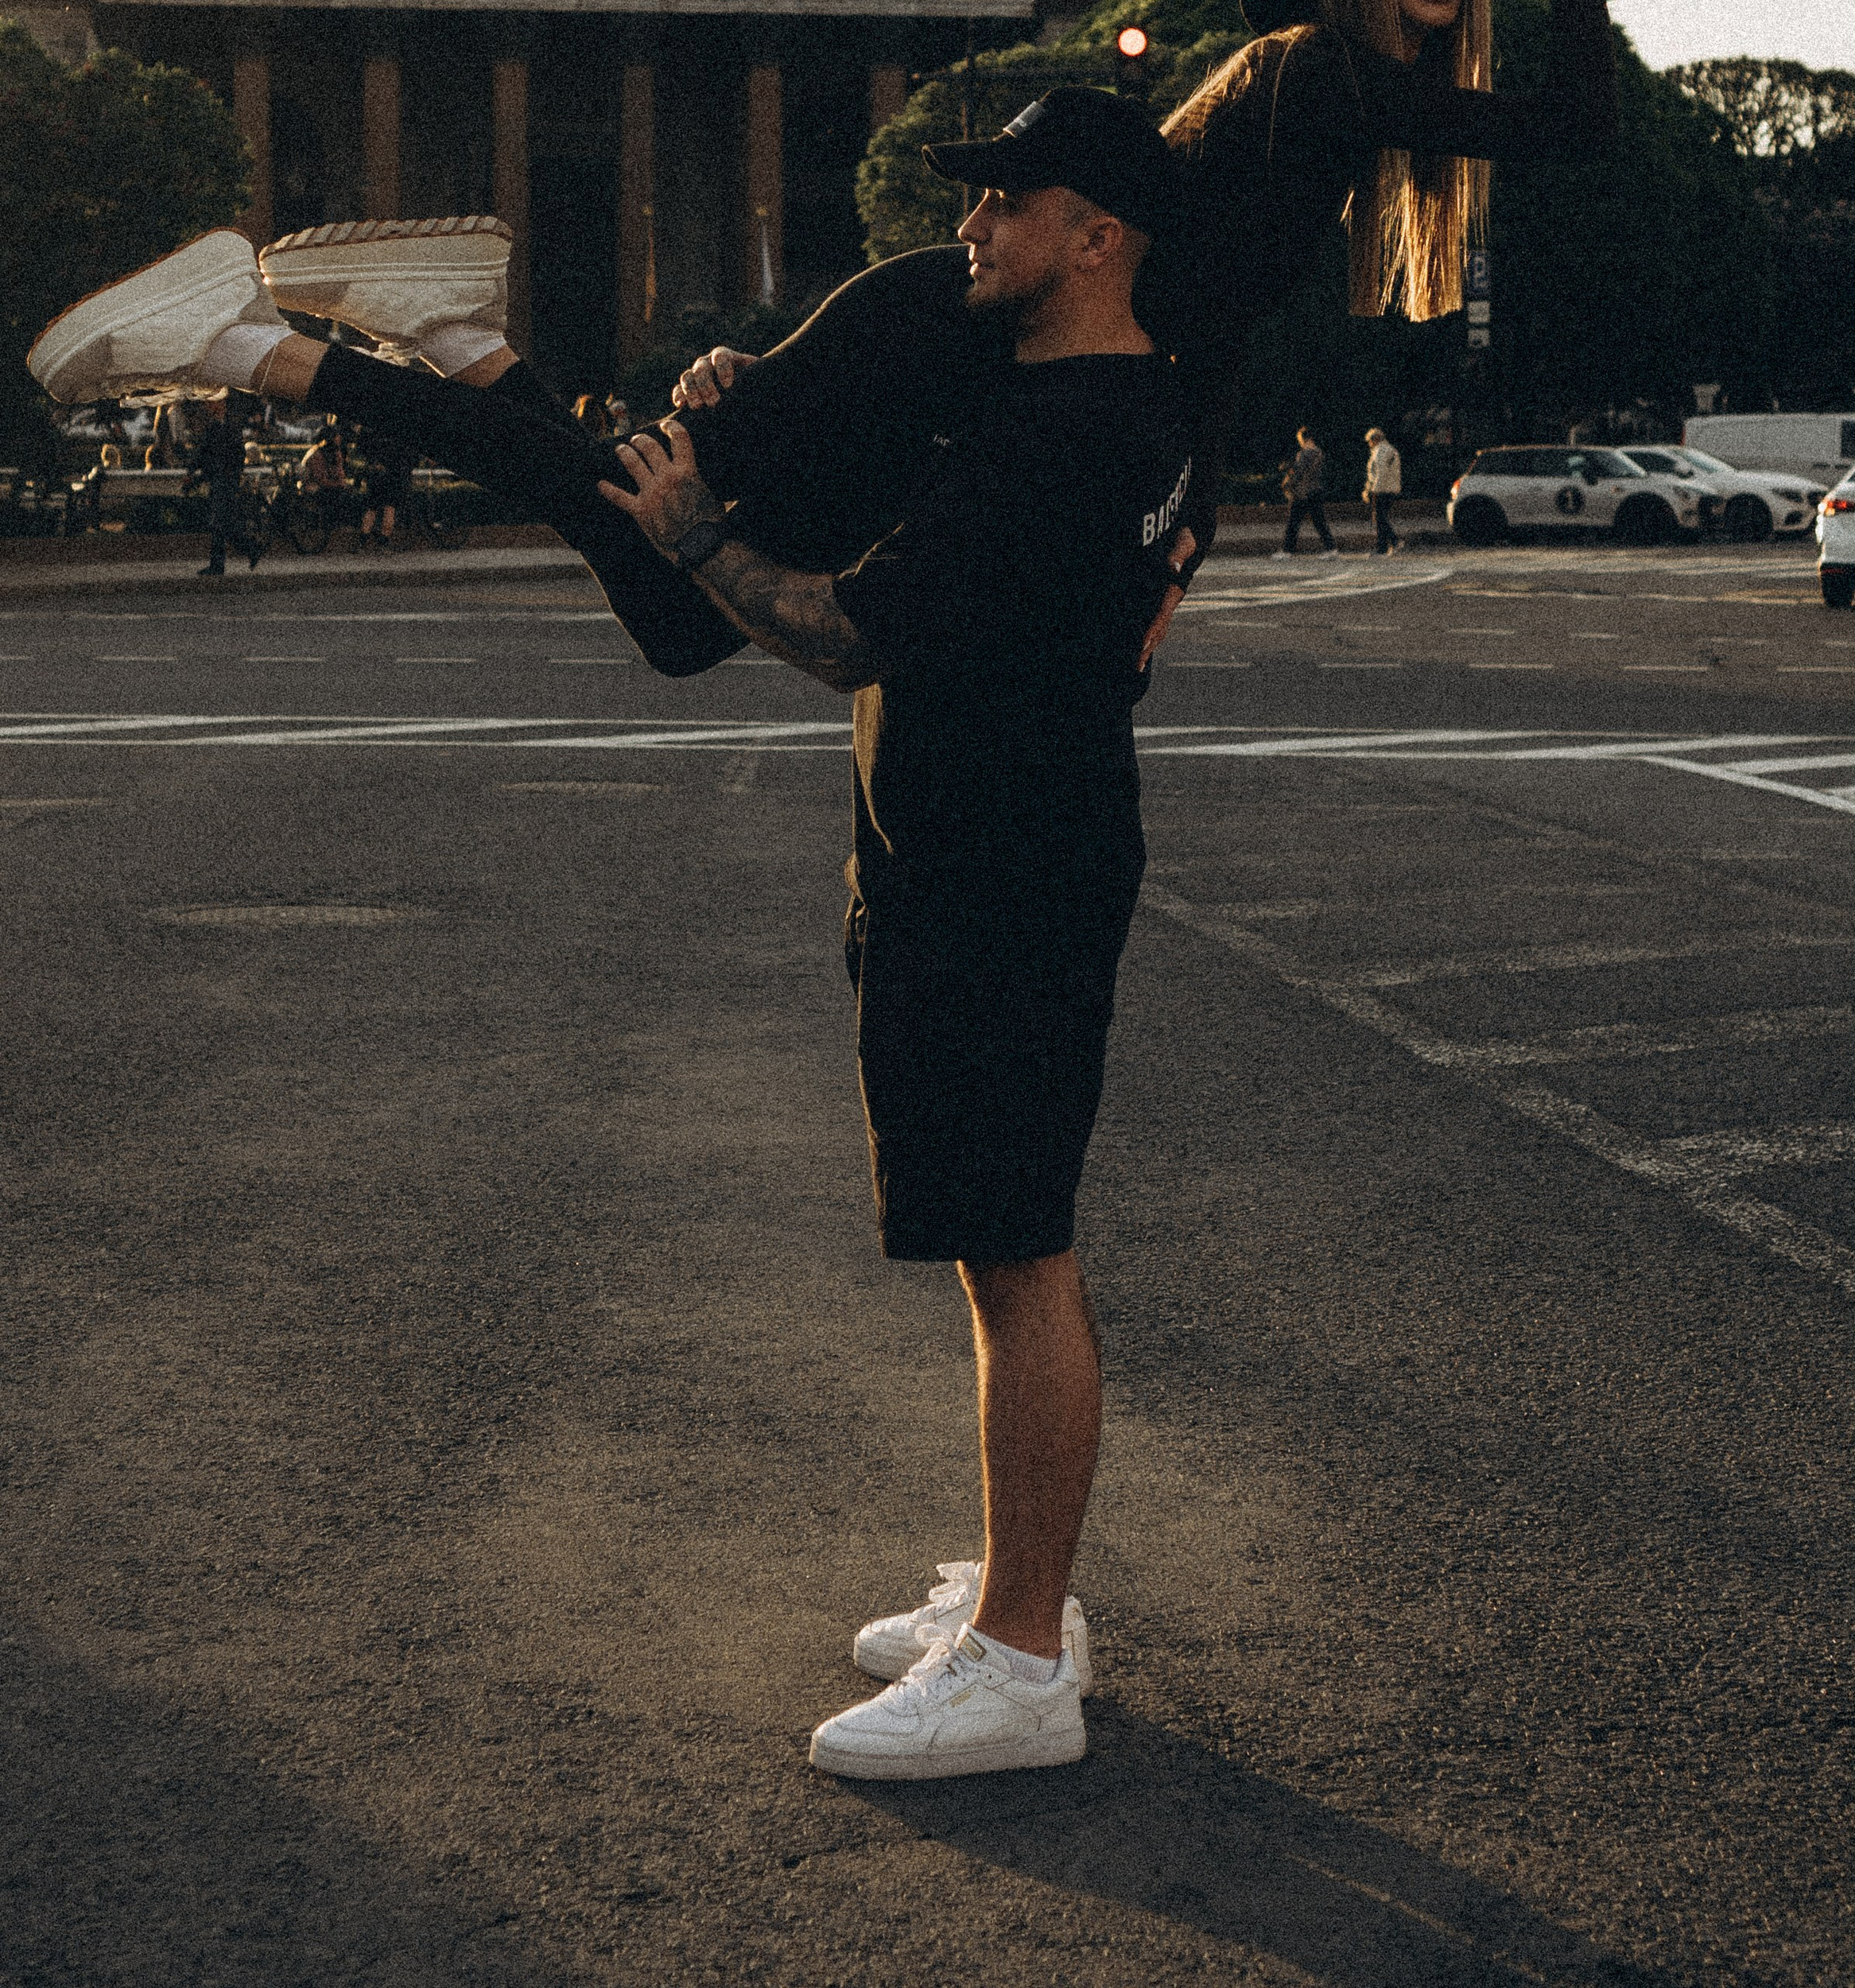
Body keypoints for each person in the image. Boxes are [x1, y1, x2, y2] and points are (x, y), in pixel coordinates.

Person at [28, 91, 1195, 1784]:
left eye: (1007, 204)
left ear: (1096, 238)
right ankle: (1029, 1594)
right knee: (990, 1245)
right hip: (984, 843)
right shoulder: (1095, 399)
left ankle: (1021, 1659)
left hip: (1001, 872)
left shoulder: (1061, 439)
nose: (971, 225)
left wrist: (703, 529)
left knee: (1017, 1252)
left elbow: (843, 637)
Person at [188, 394, 262, 577]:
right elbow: (204, 451)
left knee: (219, 523)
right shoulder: (215, 425)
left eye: (210, 402)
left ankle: (222, 563)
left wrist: (230, 474)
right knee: (223, 525)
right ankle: (249, 549)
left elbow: (236, 454)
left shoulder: (230, 425)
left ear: (220, 404)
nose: (207, 406)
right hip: (218, 479)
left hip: (226, 481)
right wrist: (192, 470)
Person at [1275, 424, 1337, 557]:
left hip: (1302, 492)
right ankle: (1331, 548)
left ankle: (1287, 550)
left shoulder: (1304, 454)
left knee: (1293, 522)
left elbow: (1299, 472)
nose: (1300, 442)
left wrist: (1288, 481)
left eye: (1300, 439)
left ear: (1306, 439)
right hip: (1315, 490)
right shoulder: (1319, 452)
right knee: (1319, 522)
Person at [1364, 425, 1401, 554]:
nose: (1369, 444)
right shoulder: (1391, 450)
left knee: (1380, 518)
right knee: (1381, 518)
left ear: (1375, 439)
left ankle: (1392, 542)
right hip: (1391, 488)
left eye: (1370, 441)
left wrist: (1373, 490)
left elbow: (1379, 473)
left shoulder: (1380, 452)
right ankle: (1384, 546)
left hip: (1382, 489)